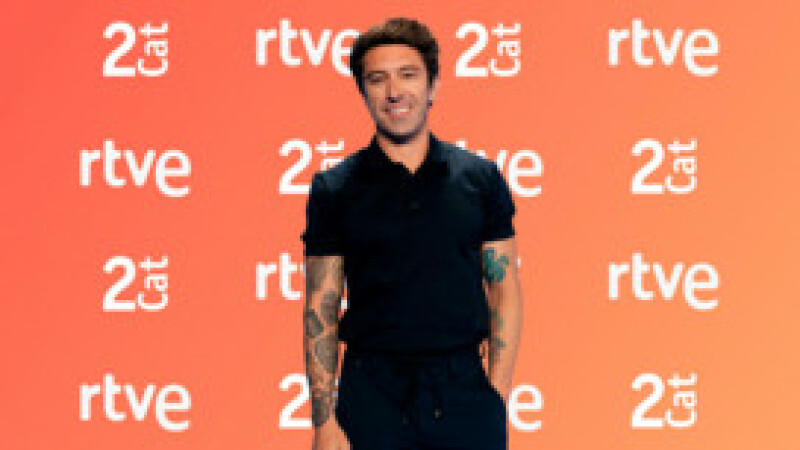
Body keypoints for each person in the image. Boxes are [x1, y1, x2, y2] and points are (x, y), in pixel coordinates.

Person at [301, 17, 524, 450]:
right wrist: (324, 421)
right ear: (363, 91)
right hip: (371, 394)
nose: (394, 91)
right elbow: (321, 307)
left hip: (464, 392)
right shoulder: (334, 189)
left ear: (433, 85)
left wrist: (495, 396)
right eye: (377, 79)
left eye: (408, 74)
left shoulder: (480, 179)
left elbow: (504, 290)